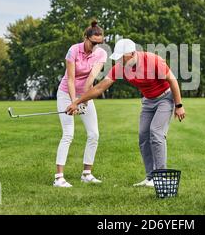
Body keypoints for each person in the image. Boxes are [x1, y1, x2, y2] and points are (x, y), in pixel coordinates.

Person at [66, 38, 186, 187]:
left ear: (132, 54)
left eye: (122, 57)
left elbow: (173, 80)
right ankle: (150, 178)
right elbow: (99, 88)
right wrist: (76, 102)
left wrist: (179, 105)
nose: (120, 61)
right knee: (143, 136)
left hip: (165, 98)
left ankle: (160, 177)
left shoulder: (153, 60)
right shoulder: (121, 67)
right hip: (148, 101)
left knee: (156, 132)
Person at [53, 20, 107, 187]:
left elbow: (90, 79)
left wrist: (82, 100)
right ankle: (58, 178)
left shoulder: (100, 54)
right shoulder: (73, 50)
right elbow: (70, 79)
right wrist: (73, 102)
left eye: (99, 43)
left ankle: (86, 174)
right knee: (68, 134)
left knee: (94, 134)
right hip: (65, 93)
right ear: (85, 37)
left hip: (84, 95)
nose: (96, 47)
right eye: (93, 43)